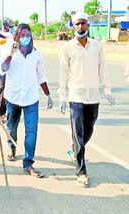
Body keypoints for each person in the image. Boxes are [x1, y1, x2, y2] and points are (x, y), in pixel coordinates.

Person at [59, 12, 115, 188]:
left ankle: (76, 149)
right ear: (72, 26)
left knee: (88, 130)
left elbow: (103, 68)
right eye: (76, 24)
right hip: (76, 96)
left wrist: (107, 90)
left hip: (93, 97)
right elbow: (63, 73)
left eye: (83, 23)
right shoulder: (67, 48)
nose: (80, 27)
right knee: (78, 133)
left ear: (88, 25)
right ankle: (81, 171)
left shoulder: (97, 46)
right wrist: (62, 96)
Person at [0, 23, 53, 177]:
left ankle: (28, 163)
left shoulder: (36, 54)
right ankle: (11, 146)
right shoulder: (10, 49)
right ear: (17, 36)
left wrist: (48, 95)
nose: (25, 37)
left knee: (31, 132)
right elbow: (1, 69)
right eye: (22, 35)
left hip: (31, 98)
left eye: (28, 35)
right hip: (13, 97)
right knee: (11, 127)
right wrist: (10, 53)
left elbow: (41, 76)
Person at [0, 18, 15, 122]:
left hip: (10, 63)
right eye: (10, 27)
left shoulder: (12, 37)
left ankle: (5, 111)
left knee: (8, 87)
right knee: (2, 86)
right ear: (5, 27)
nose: (12, 29)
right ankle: (1, 112)